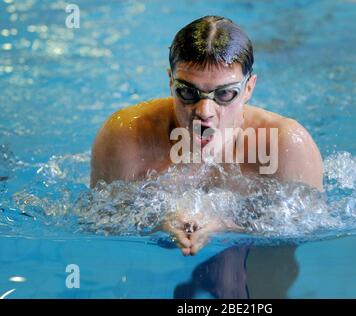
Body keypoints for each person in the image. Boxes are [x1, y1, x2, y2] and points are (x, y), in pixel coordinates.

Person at [90, 16, 323, 256]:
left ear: (249, 89)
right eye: (188, 92)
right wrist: (156, 223)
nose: (204, 112)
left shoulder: (285, 143)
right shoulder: (125, 137)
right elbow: (98, 221)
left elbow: (309, 228)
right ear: (170, 83)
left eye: (225, 94)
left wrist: (228, 225)